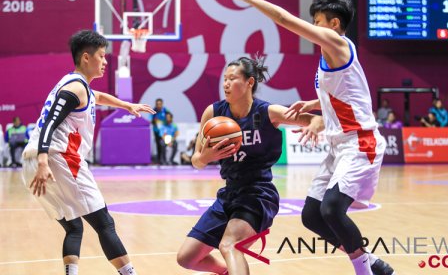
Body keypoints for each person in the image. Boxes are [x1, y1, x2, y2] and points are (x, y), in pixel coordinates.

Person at [232, 0, 394, 275]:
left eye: (317, 21)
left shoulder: (337, 43)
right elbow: (344, 95)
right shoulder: (330, 56)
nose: (313, 27)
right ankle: (372, 263)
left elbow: (283, 19)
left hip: (360, 141)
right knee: (312, 216)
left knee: (332, 209)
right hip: (339, 145)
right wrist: (312, 104)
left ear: (334, 24)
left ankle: (365, 271)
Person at [21, 30, 155, 275]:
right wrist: (44, 160)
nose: (105, 62)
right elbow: (51, 121)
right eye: (102, 56)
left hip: (33, 161)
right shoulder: (75, 88)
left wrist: (127, 105)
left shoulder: (75, 85)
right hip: (56, 159)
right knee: (105, 223)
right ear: (86, 57)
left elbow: (98, 97)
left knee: (74, 227)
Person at [176, 56, 324, 275]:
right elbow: (196, 161)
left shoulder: (267, 112)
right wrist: (207, 156)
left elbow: (317, 120)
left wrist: (313, 126)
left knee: (230, 245)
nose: (225, 84)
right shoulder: (213, 113)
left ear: (249, 82)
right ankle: (227, 271)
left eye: (232, 78)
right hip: (229, 194)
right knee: (186, 258)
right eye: (224, 79)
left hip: (258, 194)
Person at [152, 98, 170, 163]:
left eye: (160, 104)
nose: (158, 105)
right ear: (156, 104)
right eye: (157, 104)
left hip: (165, 131)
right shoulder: (153, 111)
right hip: (156, 131)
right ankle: (159, 160)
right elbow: (151, 120)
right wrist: (154, 121)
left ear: (162, 104)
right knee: (158, 145)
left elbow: (169, 118)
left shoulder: (166, 110)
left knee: (166, 144)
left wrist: (163, 122)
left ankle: (166, 159)